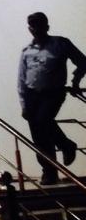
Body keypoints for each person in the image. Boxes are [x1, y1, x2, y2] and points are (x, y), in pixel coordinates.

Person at [18, 12, 86, 186]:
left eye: (40, 26)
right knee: (38, 136)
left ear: (47, 27)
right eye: (33, 26)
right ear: (29, 29)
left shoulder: (61, 43)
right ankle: (49, 172)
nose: (36, 30)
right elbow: (22, 79)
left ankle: (66, 145)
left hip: (53, 92)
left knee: (43, 121)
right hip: (32, 95)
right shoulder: (26, 51)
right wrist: (23, 103)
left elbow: (82, 62)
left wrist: (75, 82)